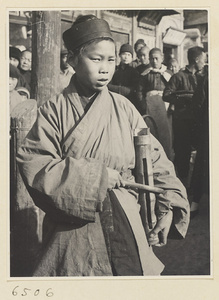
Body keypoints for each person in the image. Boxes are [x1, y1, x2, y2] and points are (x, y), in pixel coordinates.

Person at [17, 15, 190, 277]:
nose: (105, 68)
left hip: (128, 222)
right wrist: (97, 177)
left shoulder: (124, 108)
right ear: (73, 60)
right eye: (96, 59)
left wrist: (169, 205)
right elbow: (36, 165)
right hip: (74, 230)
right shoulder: (53, 111)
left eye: (111, 60)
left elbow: (156, 161)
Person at [163, 46, 206, 186]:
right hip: (182, 121)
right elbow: (166, 95)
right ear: (196, 59)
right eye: (203, 60)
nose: (204, 63)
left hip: (196, 121)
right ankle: (180, 185)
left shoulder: (201, 78)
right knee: (182, 153)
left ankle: (193, 186)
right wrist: (186, 98)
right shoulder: (178, 76)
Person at [136, 48, 174, 161]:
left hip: (165, 107)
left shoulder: (168, 74)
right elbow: (139, 91)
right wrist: (143, 104)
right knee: (152, 131)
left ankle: (167, 158)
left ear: (162, 58)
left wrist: (172, 105)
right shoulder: (145, 74)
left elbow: (173, 90)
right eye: (152, 58)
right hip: (150, 106)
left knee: (166, 133)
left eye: (157, 58)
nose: (154, 61)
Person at [190, 68, 209, 217]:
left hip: (208, 127)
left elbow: (197, 105)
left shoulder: (207, 78)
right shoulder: (208, 78)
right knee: (203, 163)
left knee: (203, 164)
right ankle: (195, 202)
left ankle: (195, 203)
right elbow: (198, 105)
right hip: (209, 127)